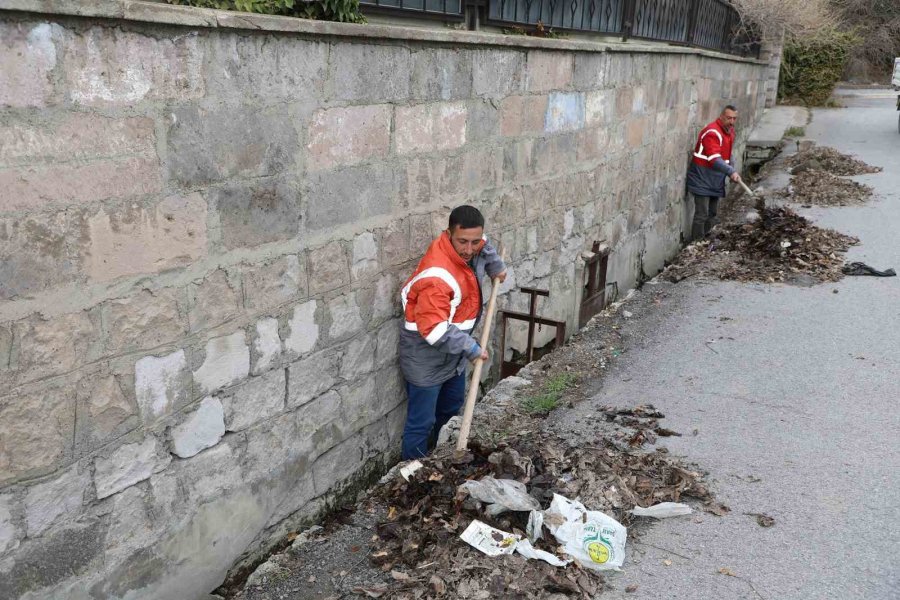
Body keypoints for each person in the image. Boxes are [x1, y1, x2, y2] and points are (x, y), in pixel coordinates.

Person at [398, 205, 507, 460]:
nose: (469, 249)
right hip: (425, 359)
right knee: (421, 423)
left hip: (454, 356)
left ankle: (440, 461)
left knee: (449, 411)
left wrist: (496, 267)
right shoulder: (436, 277)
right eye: (462, 242)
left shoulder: (473, 244)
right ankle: (410, 476)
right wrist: (470, 349)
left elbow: (485, 247)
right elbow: (435, 331)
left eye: (474, 242)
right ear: (448, 234)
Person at [686, 105, 742, 241]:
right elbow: (714, 159)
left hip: (715, 180)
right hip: (702, 178)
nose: (732, 121)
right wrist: (731, 172)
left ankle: (708, 241)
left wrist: (732, 168)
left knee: (712, 213)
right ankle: (697, 242)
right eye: (729, 118)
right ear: (721, 116)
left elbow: (728, 155)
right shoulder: (712, 132)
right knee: (702, 214)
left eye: (734, 118)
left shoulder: (729, 132)